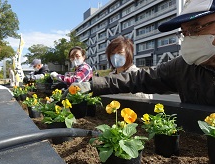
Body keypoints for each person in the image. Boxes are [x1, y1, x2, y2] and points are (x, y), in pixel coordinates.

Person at [70, 0, 215, 106]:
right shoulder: (182, 67)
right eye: (184, 32)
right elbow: (140, 78)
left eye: (195, 29)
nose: (189, 38)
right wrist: (92, 85)